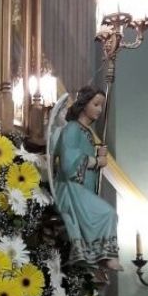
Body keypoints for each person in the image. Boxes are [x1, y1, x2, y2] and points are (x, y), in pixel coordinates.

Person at [51, 85, 121, 274]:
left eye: (101, 105)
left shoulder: (86, 132)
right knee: (109, 213)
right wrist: (97, 161)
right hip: (70, 189)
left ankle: (99, 255)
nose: (99, 109)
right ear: (83, 105)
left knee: (108, 214)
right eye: (96, 104)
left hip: (81, 189)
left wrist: (99, 157)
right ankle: (107, 255)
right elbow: (68, 162)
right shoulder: (72, 129)